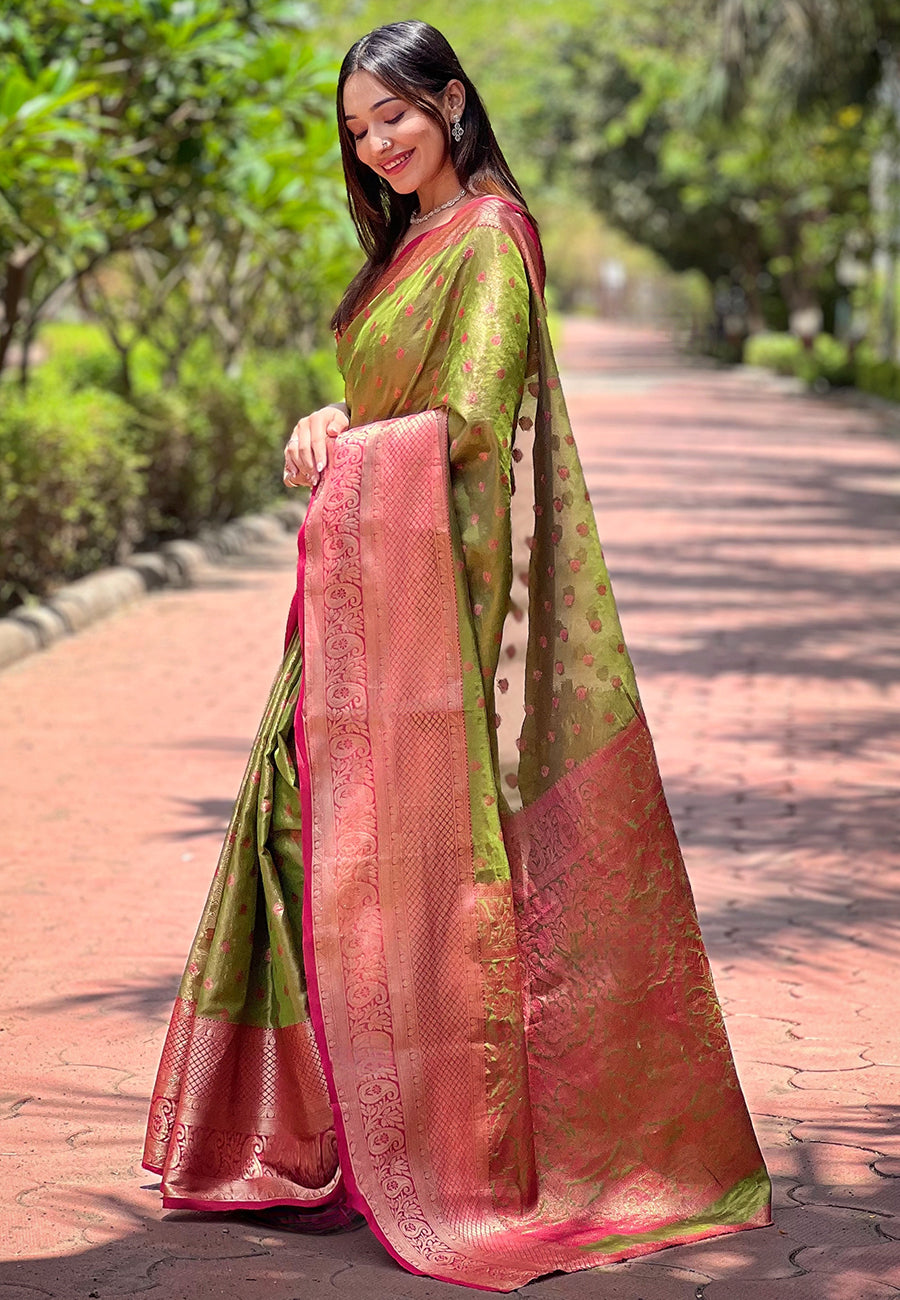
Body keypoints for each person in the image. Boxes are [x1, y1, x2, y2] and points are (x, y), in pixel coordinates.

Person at [143, 20, 771, 1292]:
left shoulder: (486, 235)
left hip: (434, 597)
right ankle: (327, 1134)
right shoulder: (414, 239)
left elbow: (471, 425)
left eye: (395, 116)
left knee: (381, 859)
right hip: (371, 589)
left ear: (452, 99)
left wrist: (361, 455)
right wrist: (333, 421)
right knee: (300, 829)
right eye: (359, 129)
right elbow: (392, 410)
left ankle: (439, 1148)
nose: (378, 145)